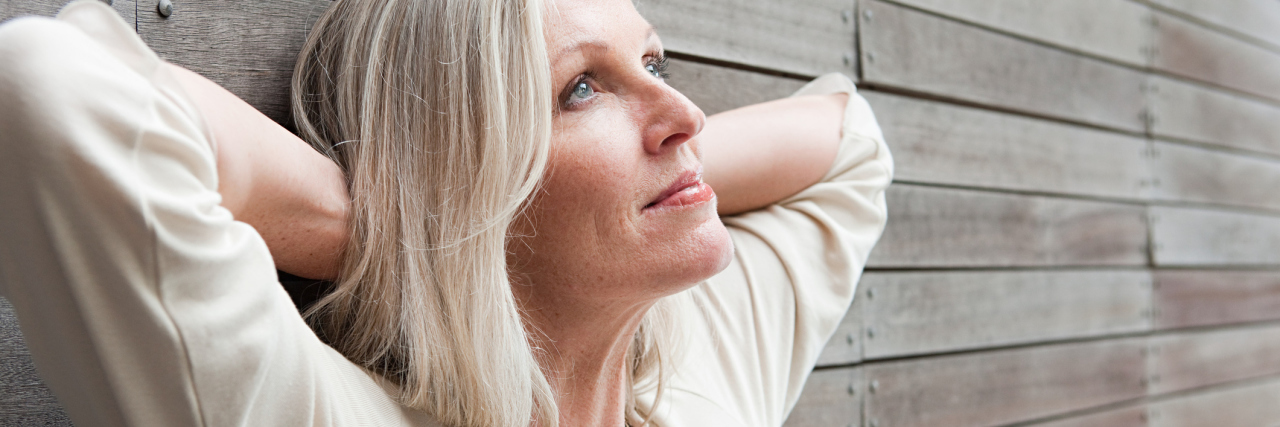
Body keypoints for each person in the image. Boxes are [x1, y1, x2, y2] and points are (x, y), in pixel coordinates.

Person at [0, 0, 891, 426]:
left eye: (653, 64)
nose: (687, 117)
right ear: (474, 179)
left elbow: (849, 144)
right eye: (583, 88)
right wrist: (427, 240)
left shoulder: (700, 377)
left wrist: (452, 235)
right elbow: (50, 90)